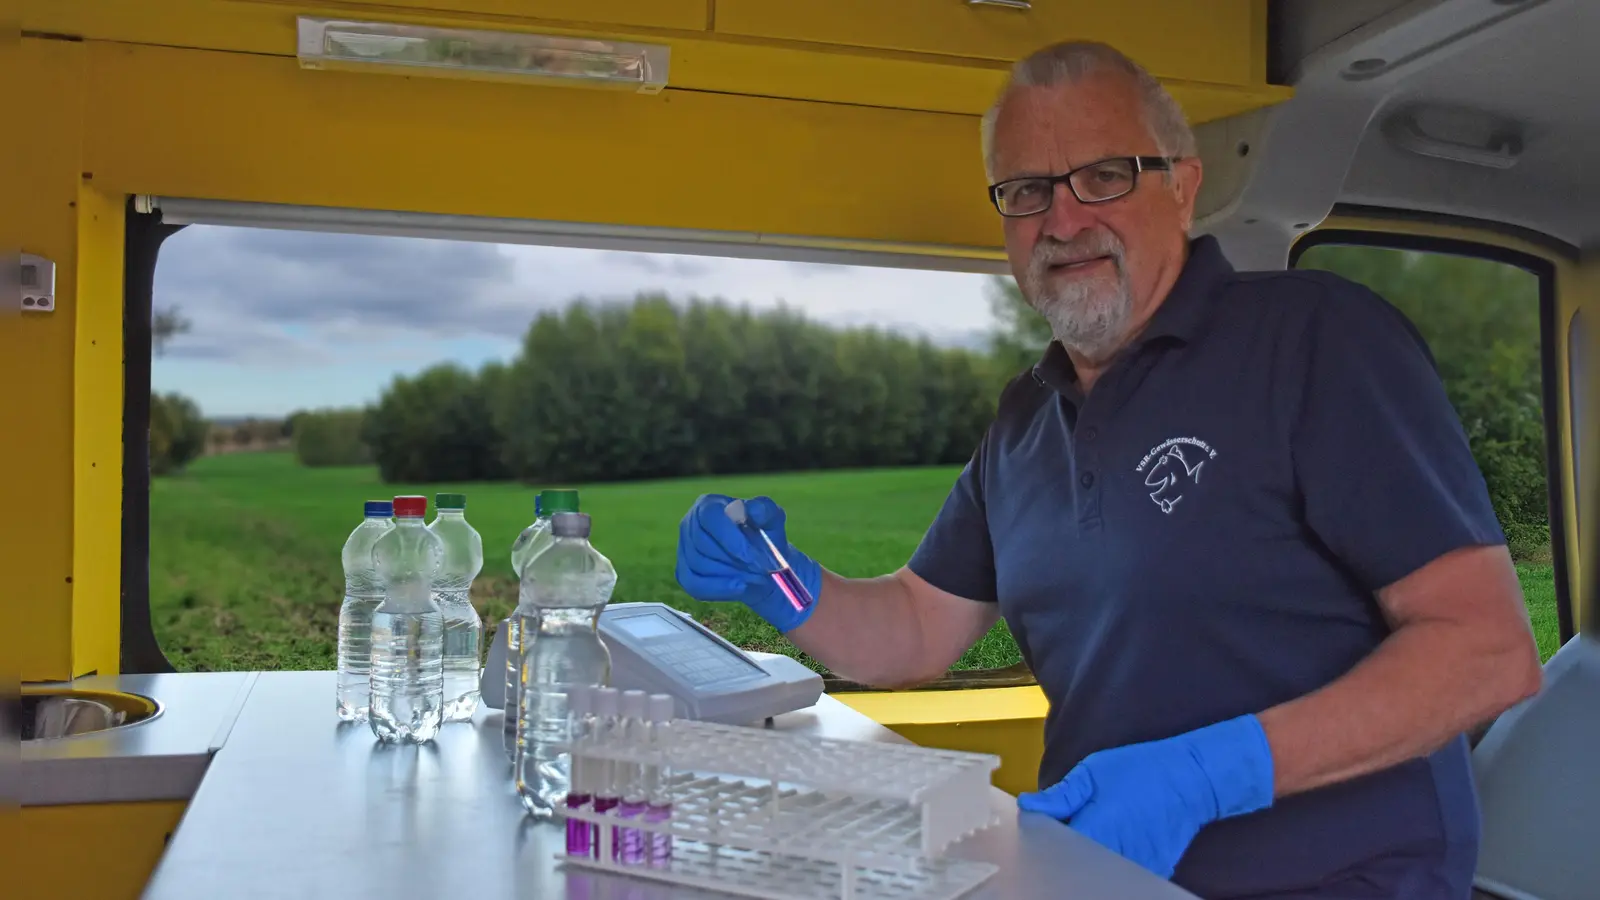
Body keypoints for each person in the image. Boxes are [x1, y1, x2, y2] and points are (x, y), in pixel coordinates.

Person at [673, 40, 1543, 899]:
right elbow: (915, 628)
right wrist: (779, 581)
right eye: (1026, 191)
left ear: (1184, 185)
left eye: (1103, 176)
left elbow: (1488, 651)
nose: (1062, 220)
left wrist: (1209, 775)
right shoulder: (1025, 420)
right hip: (1100, 878)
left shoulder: (1317, 339)